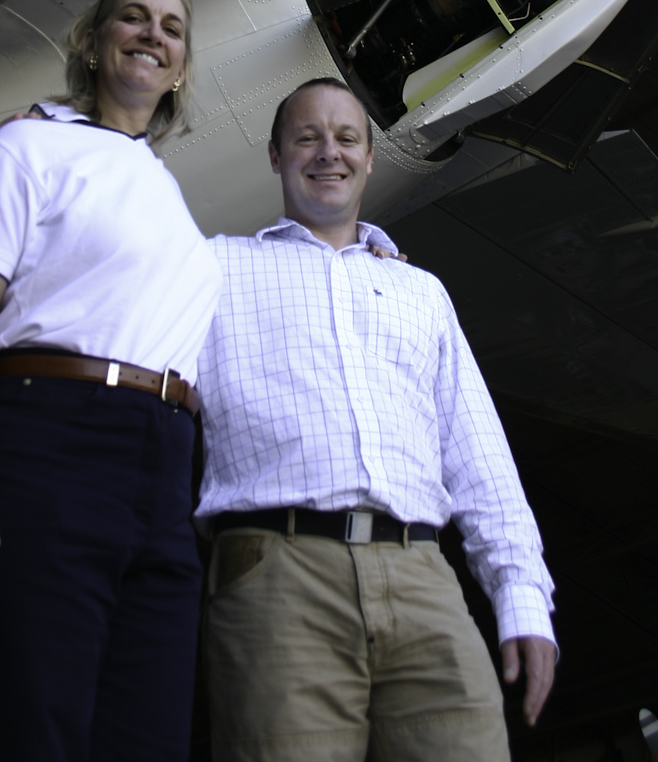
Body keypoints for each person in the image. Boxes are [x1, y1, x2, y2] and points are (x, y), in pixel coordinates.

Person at [196, 76, 556, 762]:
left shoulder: (419, 290)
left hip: (422, 573)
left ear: (368, 158)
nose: (326, 152)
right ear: (274, 155)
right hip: (279, 573)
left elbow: (476, 451)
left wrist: (521, 598)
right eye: (306, 137)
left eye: (345, 138)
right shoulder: (216, 269)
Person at [0, 0, 222, 762]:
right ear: (91, 42)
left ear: (181, 67)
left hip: (165, 473)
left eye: (171, 27)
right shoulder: (27, 144)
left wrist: (362, 244)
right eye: (132, 17)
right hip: (53, 438)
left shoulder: (167, 199)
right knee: (30, 723)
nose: (153, 34)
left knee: (145, 738)